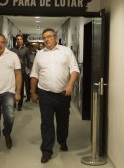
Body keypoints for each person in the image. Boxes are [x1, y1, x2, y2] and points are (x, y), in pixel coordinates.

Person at [30, 28, 80, 163]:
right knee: (46, 122)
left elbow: (75, 69)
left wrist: (70, 85)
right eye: (44, 37)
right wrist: (33, 92)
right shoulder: (40, 54)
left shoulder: (66, 51)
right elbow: (34, 74)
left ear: (55, 37)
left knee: (63, 120)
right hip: (45, 93)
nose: (47, 39)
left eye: (49, 37)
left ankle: (62, 140)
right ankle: (46, 150)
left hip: (63, 93)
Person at [10, 35, 31, 110]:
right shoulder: (12, 49)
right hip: (12, 71)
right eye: (17, 39)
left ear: (22, 40)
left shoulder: (26, 49)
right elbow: (9, 59)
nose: (19, 40)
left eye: (20, 39)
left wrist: (29, 69)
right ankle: (13, 103)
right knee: (13, 88)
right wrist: (16, 61)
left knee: (20, 88)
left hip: (22, 71)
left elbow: (28, 60)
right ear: (16, 40)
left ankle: (20, 104)